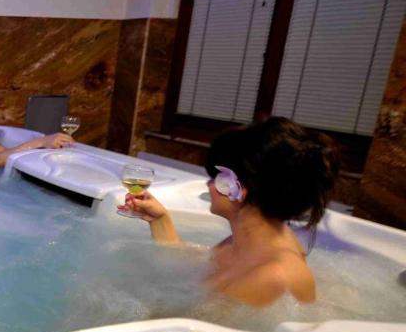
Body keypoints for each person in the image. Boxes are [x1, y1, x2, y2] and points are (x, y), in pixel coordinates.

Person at [121, 117, 339, 307]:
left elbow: (190, 322)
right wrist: (160, 220)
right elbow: (193, 266)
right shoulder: (247, 241)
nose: (208, 184)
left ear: (236, 189)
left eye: (215, 177)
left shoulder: (274, 275)